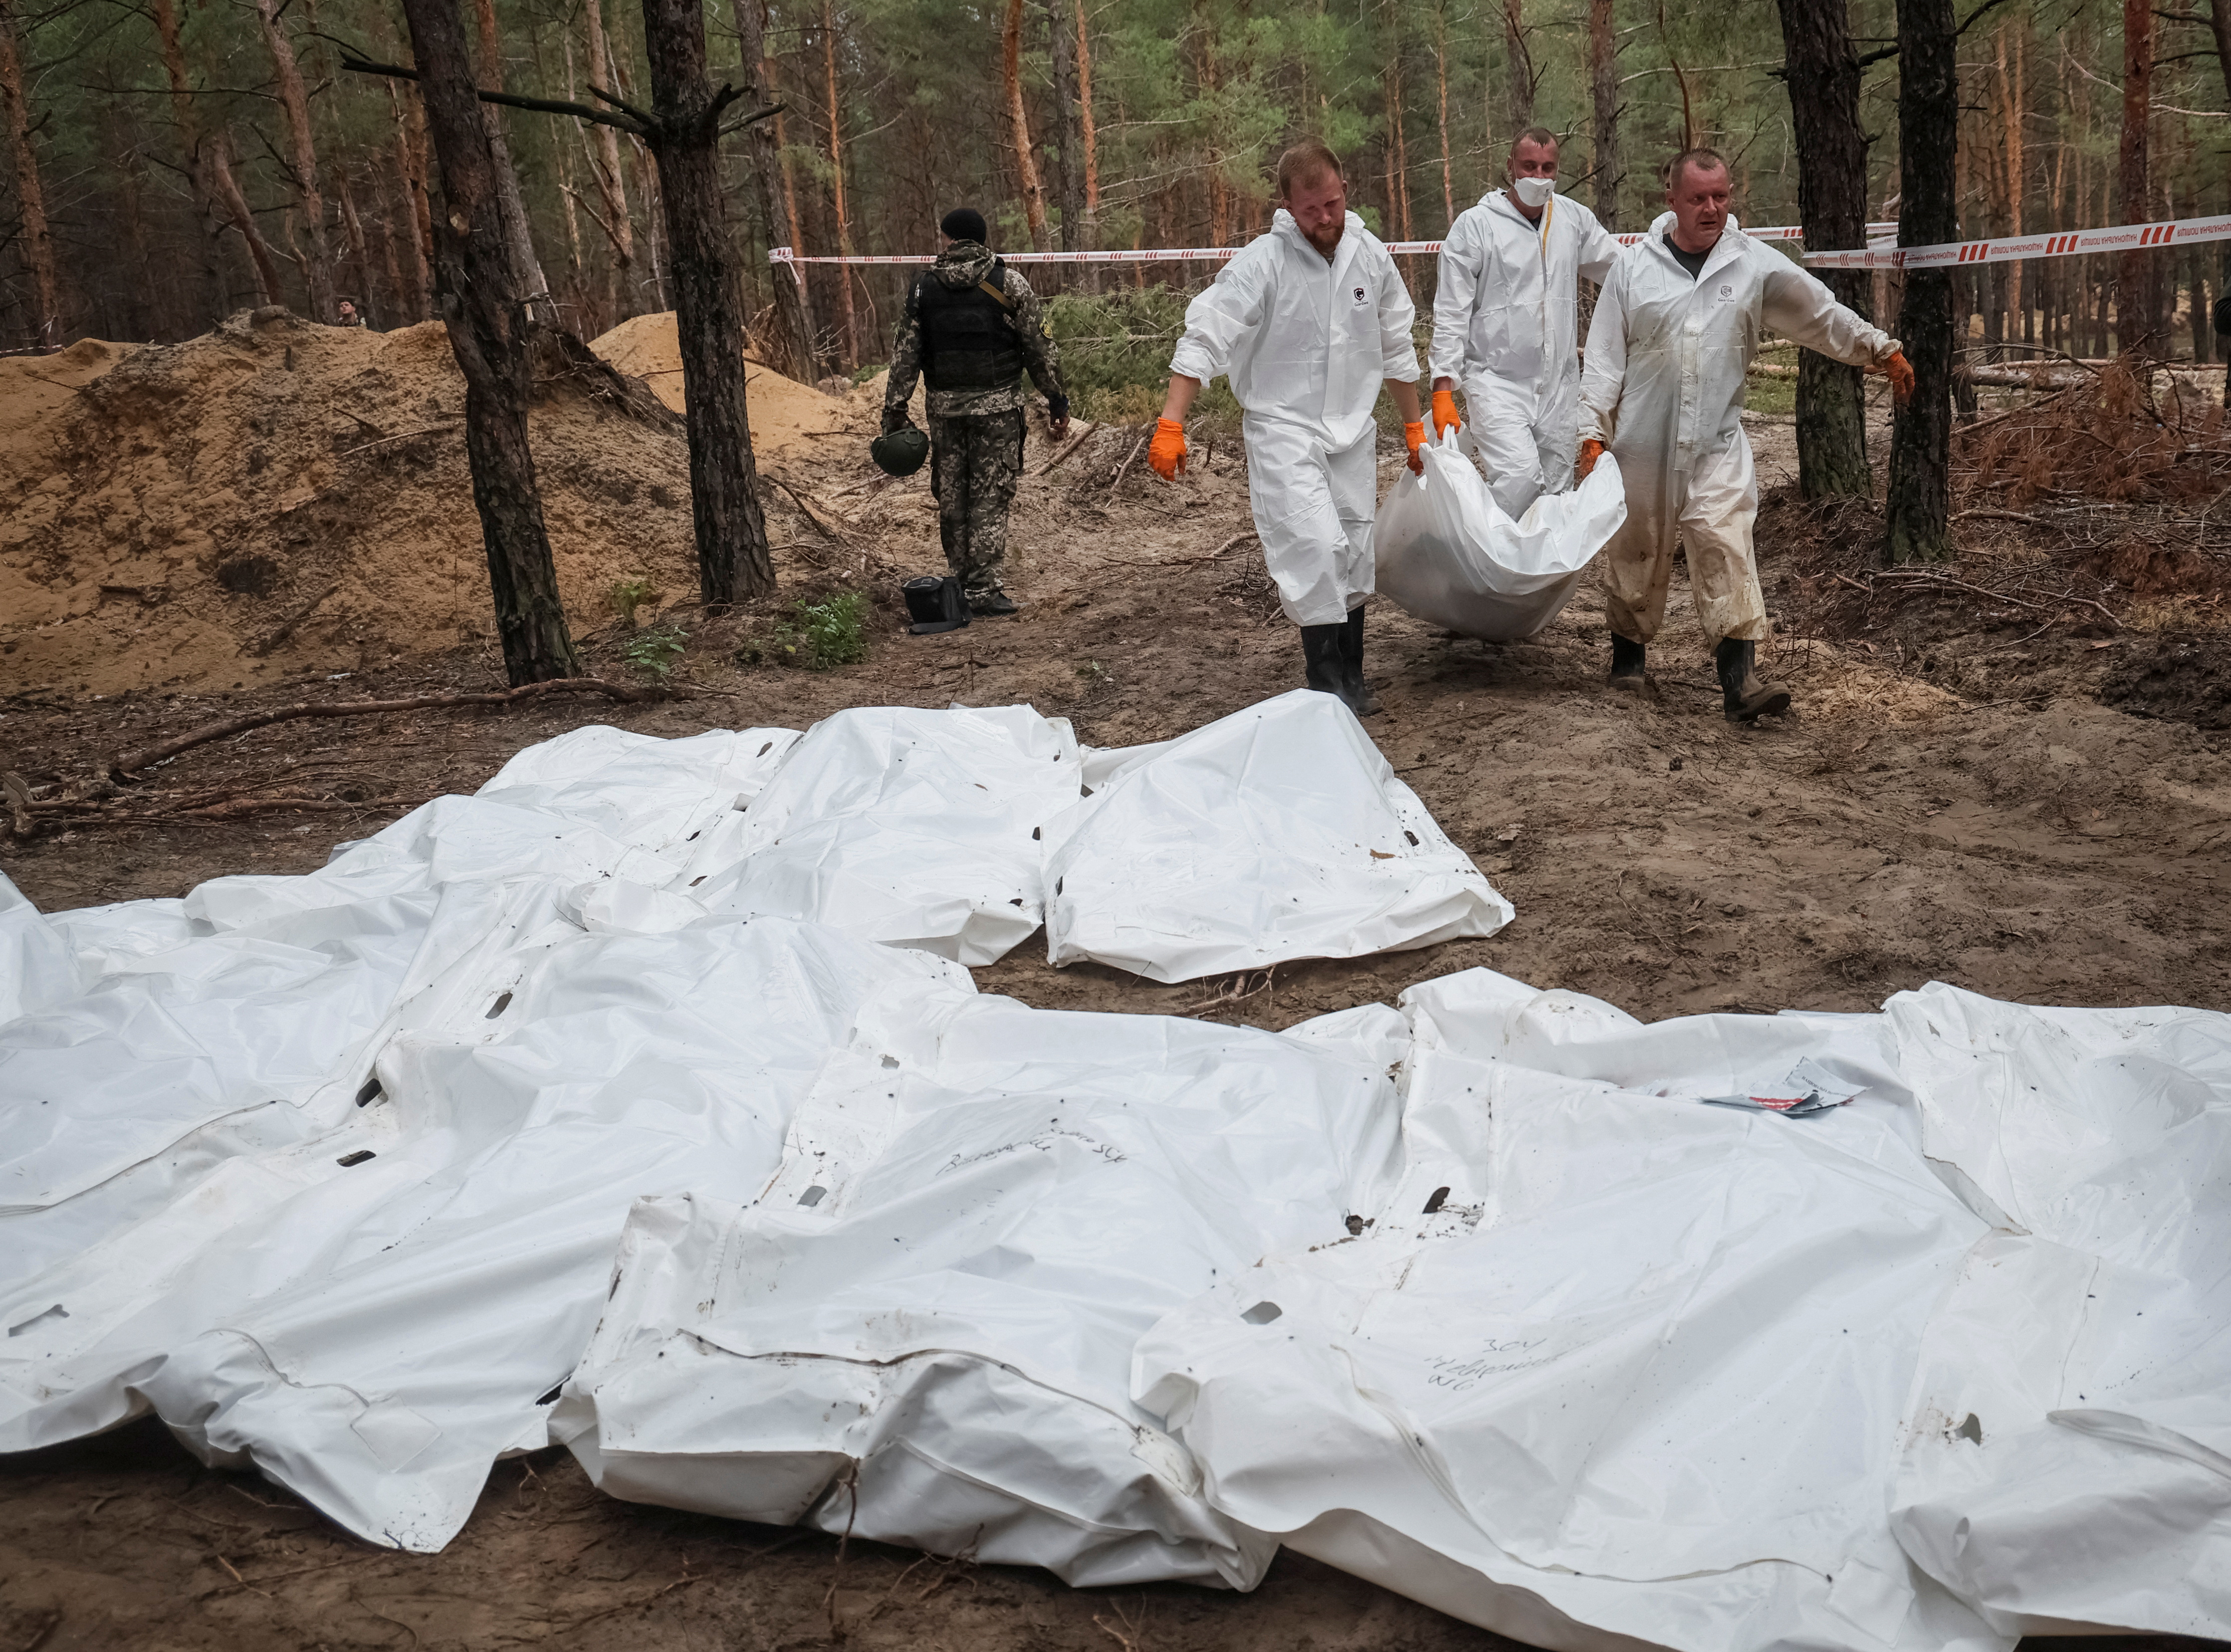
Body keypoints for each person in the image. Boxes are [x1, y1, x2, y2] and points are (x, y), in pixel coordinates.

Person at [1577, 148, 1913, 722]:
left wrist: (1878, 348)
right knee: (1636, 550)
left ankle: (1740, 683)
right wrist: (1591, 432)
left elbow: (1818, 312)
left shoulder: (1752, 265)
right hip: (1641, 444)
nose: (1710, 208)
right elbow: (1604, 359)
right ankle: (1627, 663)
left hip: (1715, 442)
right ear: (1671, 200)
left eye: (1720, 196)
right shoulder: (1632, 270)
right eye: (1697, 198)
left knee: (1727, 545)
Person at [1148, 141, 1425, 717]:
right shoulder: (1262, 264)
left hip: (1351, 429)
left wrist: (1413, 427)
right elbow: (1206, 335)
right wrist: (1171, 422)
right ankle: (1324, 682)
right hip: (1284, 428)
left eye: (1331, 205)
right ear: (1286, 207)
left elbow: (1395, 345)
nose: (1324, 219)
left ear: (1345, 189)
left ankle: (1353, 675)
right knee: (1314, 545)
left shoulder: (1370, 257)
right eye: (1310, 210)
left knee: (1353, 548)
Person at [882, 207, 1070, 618]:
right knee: (990, 495)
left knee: (952, 495)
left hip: (945, 412)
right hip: (998, 411)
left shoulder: (923, 289)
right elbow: (1040, 350)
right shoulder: (1010, 283)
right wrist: (1056, 398)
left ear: (950, 239)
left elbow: (905, 356)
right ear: (982, 240)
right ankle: (982, 590)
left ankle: (961, 583)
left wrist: (894, 411)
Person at [1428, 127, 1621, 521]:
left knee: (1556, 492)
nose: (1538, 176)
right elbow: (1451, 308)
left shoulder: (1572, 220)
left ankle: (1543, 563)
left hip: (1558, 387)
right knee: (1518, 482)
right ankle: (1498, 556)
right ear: (1510, 166)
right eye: (1529, 166)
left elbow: (1621, 269)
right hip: (1496, 381)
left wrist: (1669, 250)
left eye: (1548, 168)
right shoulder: (1476, 226)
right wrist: (1443, 385)